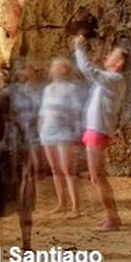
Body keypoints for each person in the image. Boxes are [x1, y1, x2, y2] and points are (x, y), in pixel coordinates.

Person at [72, 33, 126, 231]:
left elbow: (88, 71)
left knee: (97, 177)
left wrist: (79, 47)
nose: (107, 57)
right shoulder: (110, 80)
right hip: (95, 129)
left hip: (98, 130)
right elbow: (94, 75)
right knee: (97, 176)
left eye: (112, 55)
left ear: (118, 63)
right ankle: (111, 217)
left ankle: (112, 219)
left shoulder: (114, 79)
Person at [0, 61, 37, 250]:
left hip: (0, 155)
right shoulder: (28, 101)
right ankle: (26, 245)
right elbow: (31, 131)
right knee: (25, 201)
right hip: (20, 155)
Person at [39, 57, 83, 217]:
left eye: (57, 66)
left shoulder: (71, 88)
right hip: (48, 132)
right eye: (53, 66)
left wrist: (74, 128)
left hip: (64, 132)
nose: (54, 69)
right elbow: (42, 112)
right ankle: (61, 203)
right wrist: (40, 131)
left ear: (65, 70)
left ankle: (75, 207)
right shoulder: (48, 89)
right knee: (55, 169)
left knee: (67, 169)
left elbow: (77, 110)